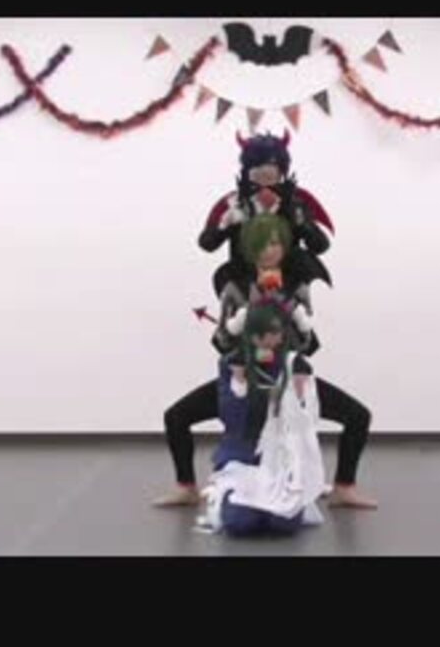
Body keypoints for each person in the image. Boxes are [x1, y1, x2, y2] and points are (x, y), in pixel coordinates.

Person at [155, 208, 377, 509]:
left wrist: (297, 324)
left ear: (284, 246)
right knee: (176, 416)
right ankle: (186, 487)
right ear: (248, 247)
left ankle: (344, 487)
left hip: (287, 377)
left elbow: (307, 344)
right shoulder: (234, 287)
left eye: (274, 243)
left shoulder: (297, 286)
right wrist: (240, 325)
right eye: (259, 244)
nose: (268, 251)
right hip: (244, 377)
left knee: (358, 416)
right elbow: (222, 342)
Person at [196, 302, 325, 536]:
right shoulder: (233, 363)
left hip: (278, 460)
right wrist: (240, 382)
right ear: (253, 335)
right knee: (240, 522)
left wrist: (297, 394)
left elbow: (302, 417)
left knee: (284, 522)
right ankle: (229, 501)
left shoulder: (291, 363)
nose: (276, 340)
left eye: (278, 334)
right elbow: (231, 416)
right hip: (242, 456)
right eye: (269, 334)